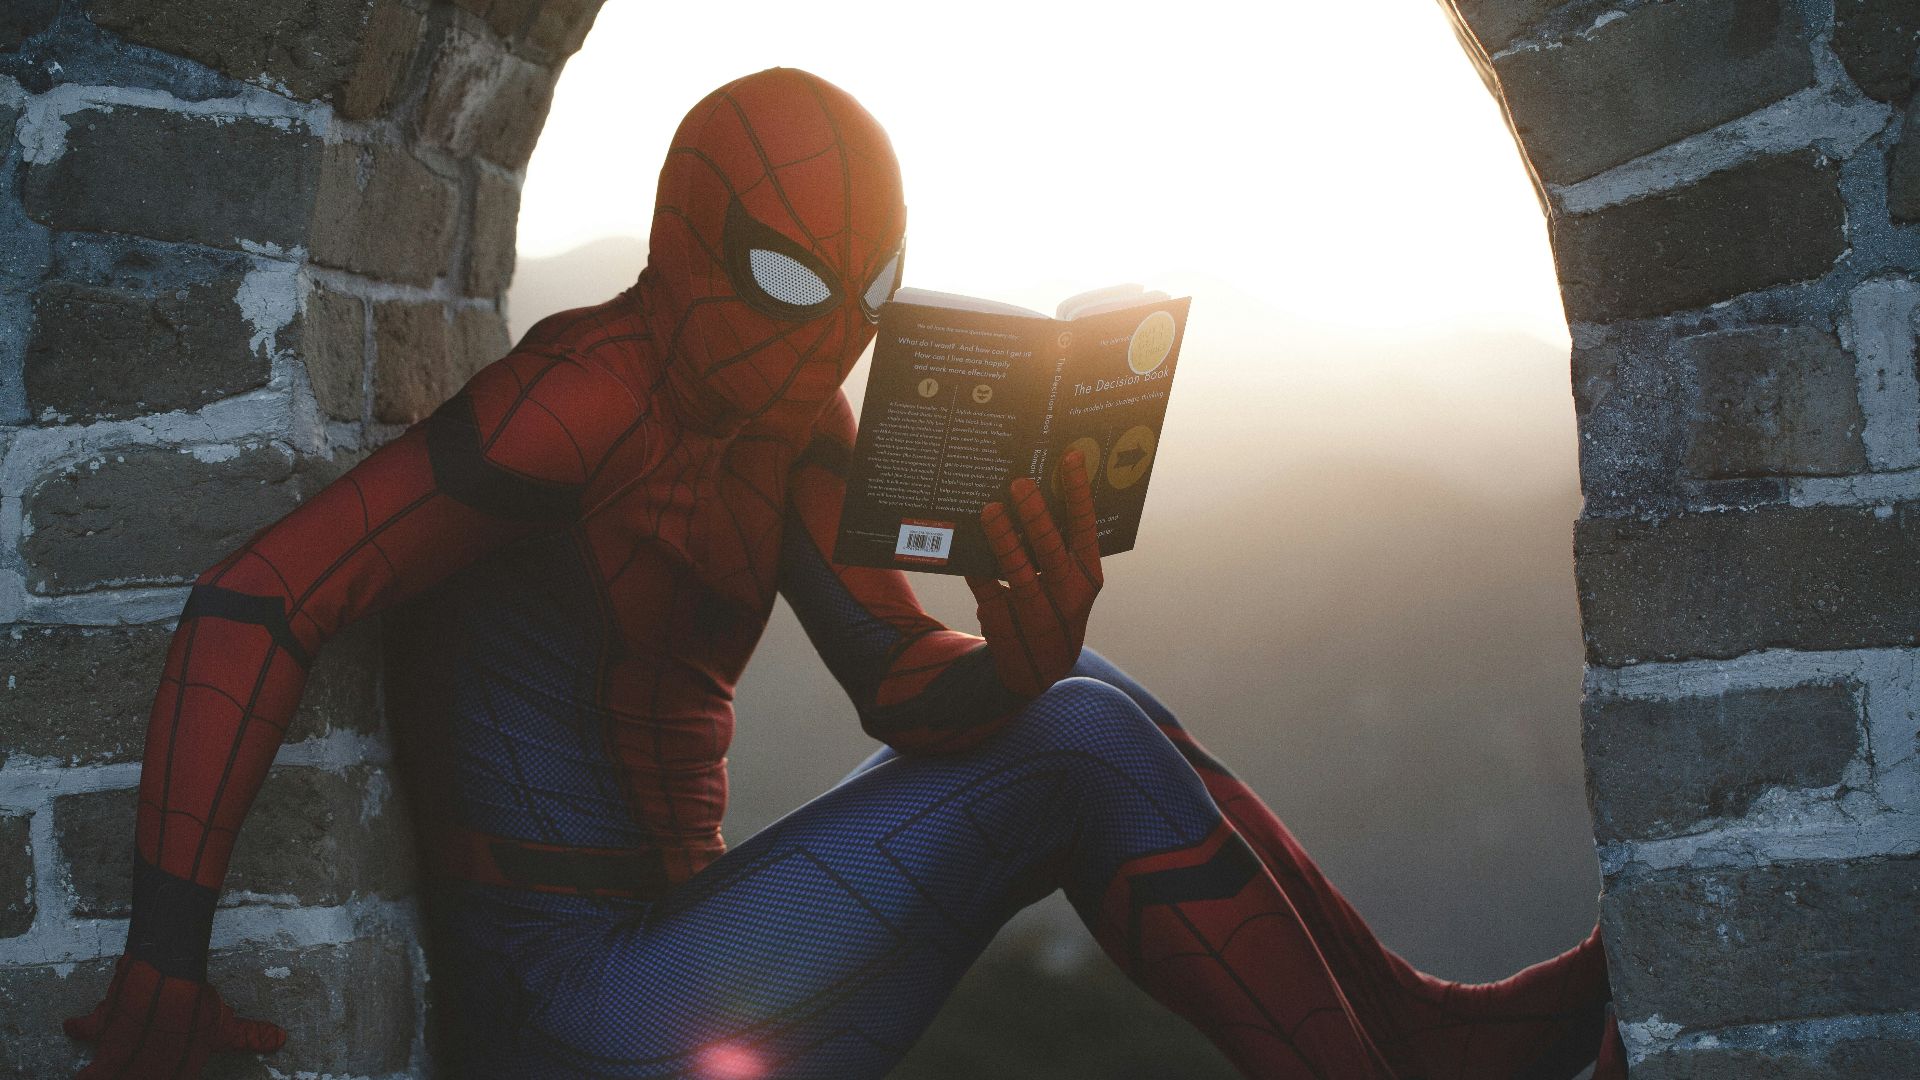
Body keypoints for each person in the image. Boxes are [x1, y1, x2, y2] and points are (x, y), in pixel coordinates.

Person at [64, 67, 1623, 1079]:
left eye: (867, 294)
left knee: (1081, 696)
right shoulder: (579, 399)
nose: (832, 335)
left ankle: (1412, 1028)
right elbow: (264, 595)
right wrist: (160, 963)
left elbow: (899, 678)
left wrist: (1020, 645)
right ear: (688, 239)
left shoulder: (797, 419)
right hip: (563, 1013)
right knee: (1078, 737)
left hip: (708, 975)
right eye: (790, 281)